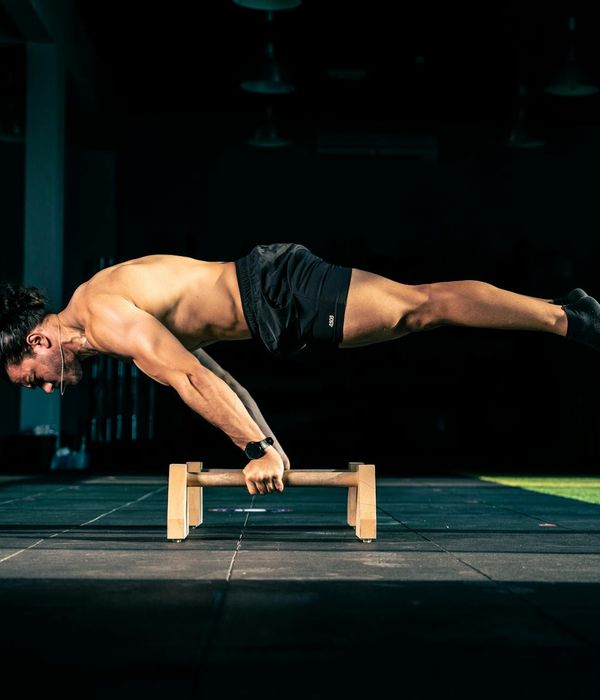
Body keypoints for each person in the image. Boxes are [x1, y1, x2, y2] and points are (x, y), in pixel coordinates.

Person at [0, 242, 598, 495]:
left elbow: (188, 378)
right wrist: (271, 449)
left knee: (422, 307)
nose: (49, 388)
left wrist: (255, 445)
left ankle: (570, 320)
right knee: (422, 307)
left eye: (35, 376)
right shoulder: (103, 314)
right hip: (273, 302)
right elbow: (219, 375)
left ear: (38, 338)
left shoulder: (102, 315)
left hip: (276, 291)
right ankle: (566, 315)